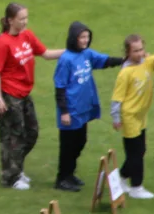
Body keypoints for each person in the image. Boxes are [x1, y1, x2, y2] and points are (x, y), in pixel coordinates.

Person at [0, 3, 63, 190]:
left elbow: (45, 54)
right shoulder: (2, 42)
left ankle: (16, 167)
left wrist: (70, 51)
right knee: (13, 135)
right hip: (9, 94)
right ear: (10, 20)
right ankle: (11, 176)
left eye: (26, 18)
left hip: (24, 92)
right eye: (21, 19)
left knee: (32, 132)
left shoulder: (27, 36)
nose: (24, 22)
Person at [52, 22, 124, 191]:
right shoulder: (66, 60)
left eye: (87, 37)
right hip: (71, 111)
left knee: (80, 141)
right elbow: (60, 87)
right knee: (68, 145)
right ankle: (62, 178)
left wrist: (124, 60)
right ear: (73, 38)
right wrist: (64, 112)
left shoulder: (87, 54)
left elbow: (104, 61)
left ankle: (69, 174)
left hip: (83, 108)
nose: (85, 40)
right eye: (81, 37)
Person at [110, 34, 154, 199]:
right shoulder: (125, 73)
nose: (140, 53)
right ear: (127, 52)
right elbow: (117, 98)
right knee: (136, 153)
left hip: (141, 116)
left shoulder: (147, 63)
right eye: (135, 51)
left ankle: (122, 178)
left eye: (141, 49)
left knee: (139, 150)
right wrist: (116, 118)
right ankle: (136, 187)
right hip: (129, 116)